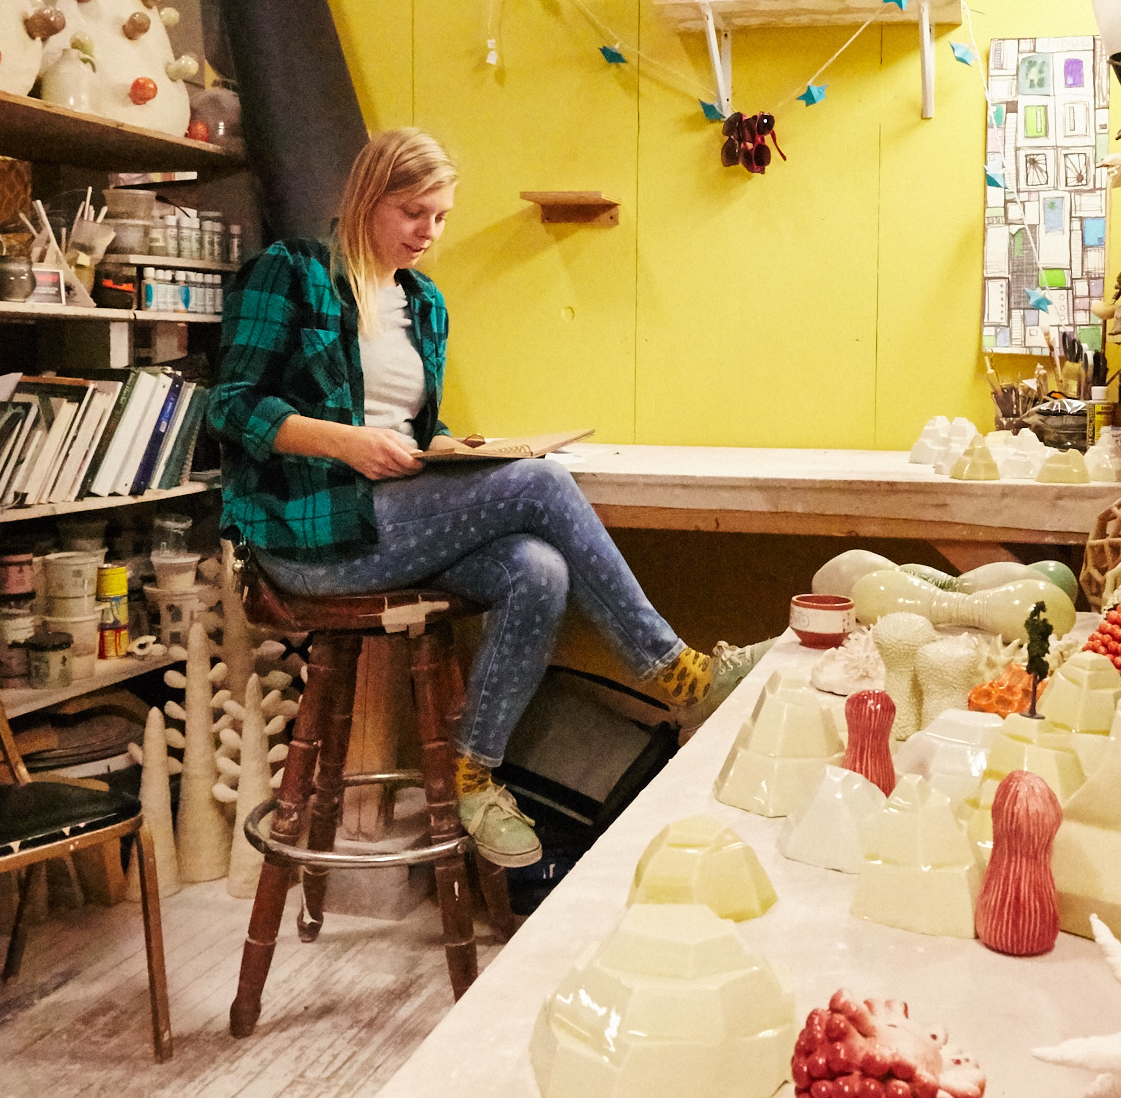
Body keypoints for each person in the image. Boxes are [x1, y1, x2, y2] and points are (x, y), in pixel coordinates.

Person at [204, 128, 751, 868]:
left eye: (441, 217)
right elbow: (230, 408)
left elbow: (407, 427)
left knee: (539, 570)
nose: (428, 232)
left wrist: (454, 450)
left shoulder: (423, 302)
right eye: (412, 212)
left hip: (391, 519)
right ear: (368, 199)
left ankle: (473, 776)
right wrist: (344, 441)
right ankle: (676, 672)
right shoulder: (292, 271)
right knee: (542, 482)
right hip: (310, 535)